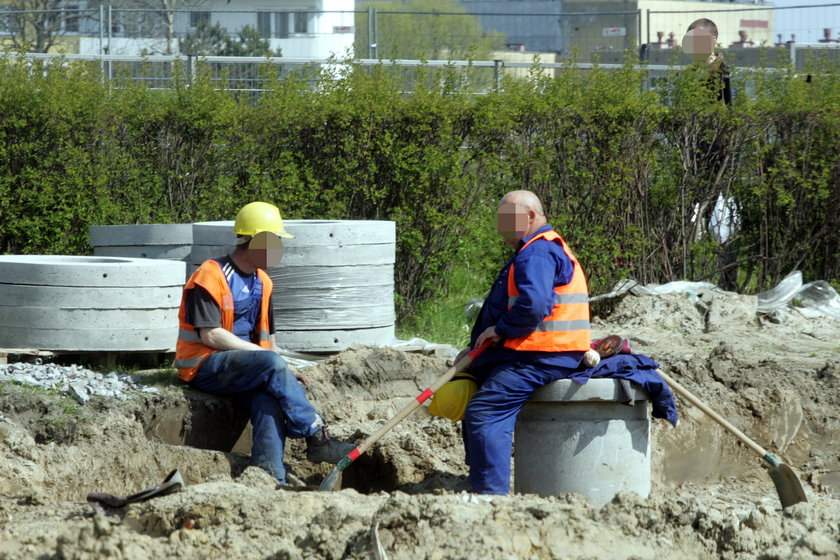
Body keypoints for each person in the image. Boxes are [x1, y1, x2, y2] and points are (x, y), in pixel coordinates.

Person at [174, 201, 355, 484]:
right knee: (270, 363)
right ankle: (316, 437)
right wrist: (267, 360)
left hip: (244, 367)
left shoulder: (263, 282)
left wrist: (279, 370)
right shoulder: (211, 275)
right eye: (276, 241)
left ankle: (269, 478)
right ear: (257, 241)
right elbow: (210, 335)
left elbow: (268, 337)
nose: (279, 249)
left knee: (268, 400)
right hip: (203, 367)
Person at [457, 190, 591, 495]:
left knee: (485, 412)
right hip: (540, 352)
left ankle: (490, 495)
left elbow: (533, 305)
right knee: (479, 397)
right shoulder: (537, 249)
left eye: (507, 219)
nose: (501, 228)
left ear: (529, 216)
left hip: (542, 355)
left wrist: (500, 330)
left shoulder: (538, 252)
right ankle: (481, 480)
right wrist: (477, 353)